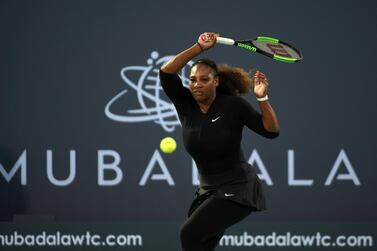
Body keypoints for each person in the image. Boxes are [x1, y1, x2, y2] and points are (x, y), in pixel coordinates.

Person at [159, 32, 280, 251]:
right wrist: (199, 47)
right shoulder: (184, 103)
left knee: (189, 234)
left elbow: (270, 131)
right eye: (193, 80)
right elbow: (166, 73)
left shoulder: (233, 106)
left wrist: (262, 99)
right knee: (201, 244)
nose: (197, 84)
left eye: (204, 79)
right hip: (208, 190)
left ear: (216, 81)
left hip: (238, 187)